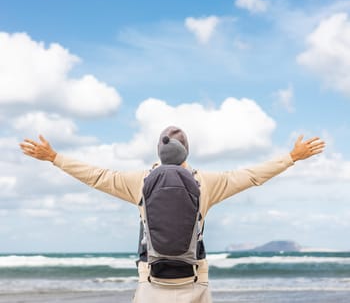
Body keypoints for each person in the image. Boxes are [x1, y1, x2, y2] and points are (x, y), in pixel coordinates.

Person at [19, 126, 325, 303]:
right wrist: (291, 158)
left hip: (150, 284)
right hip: (195, 283)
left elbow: (96, 176)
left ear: (159, 152)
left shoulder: (139, 181)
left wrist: (54, 158)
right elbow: (252, 175)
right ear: (187, 152)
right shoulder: (206, 182)